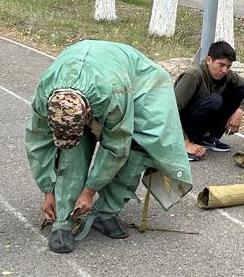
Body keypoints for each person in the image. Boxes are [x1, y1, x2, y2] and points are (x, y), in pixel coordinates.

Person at [25, 40, 193, 254]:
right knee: (72, 152)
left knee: (136, 148)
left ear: (87, 114)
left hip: (141, 85)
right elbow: (37, 141)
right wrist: (47, 189)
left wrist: (89, 191)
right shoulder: (45, 96)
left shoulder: (113, 96)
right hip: (89, 72)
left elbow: (116, 148)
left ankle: (105, 212)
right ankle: (62, 219)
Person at [175, 40, 244, 161]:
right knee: (214, 100)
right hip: (181, 125)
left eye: (228, 66)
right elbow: (171, 110)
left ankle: (206, 138)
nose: (224, 70)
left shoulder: (227, 75)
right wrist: (185, 142)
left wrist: (240, 112)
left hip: (199, 122)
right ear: (209, 60)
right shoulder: (193, 75)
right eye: (221, 65)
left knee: (240, 91)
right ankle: (183, 144)